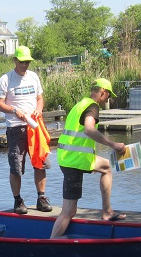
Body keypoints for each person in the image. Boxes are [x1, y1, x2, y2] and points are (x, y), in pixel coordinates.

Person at [50, 78, 127, 239]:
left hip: (71, 157)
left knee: (106, 167)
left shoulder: (80, 104)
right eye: (108, 96)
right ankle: (52, 242)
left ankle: (107, 212)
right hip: (74, 161)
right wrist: (113, 144)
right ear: (102, 92)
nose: (108, 99)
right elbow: (89, 130)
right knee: (69, 211)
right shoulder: (93, 107)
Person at [0, 46, 52, 214]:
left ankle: (41, 198)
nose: (24, 65)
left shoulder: (33, 77)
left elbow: (39, 98)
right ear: (15, 61)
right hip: (15, 127)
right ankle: (18, 200)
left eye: (27, 62)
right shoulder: (6, 79)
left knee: (40, 162)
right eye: (22, 62)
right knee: (16, 166)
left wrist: (39, 109)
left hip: (35, 126)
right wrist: (14, 110)